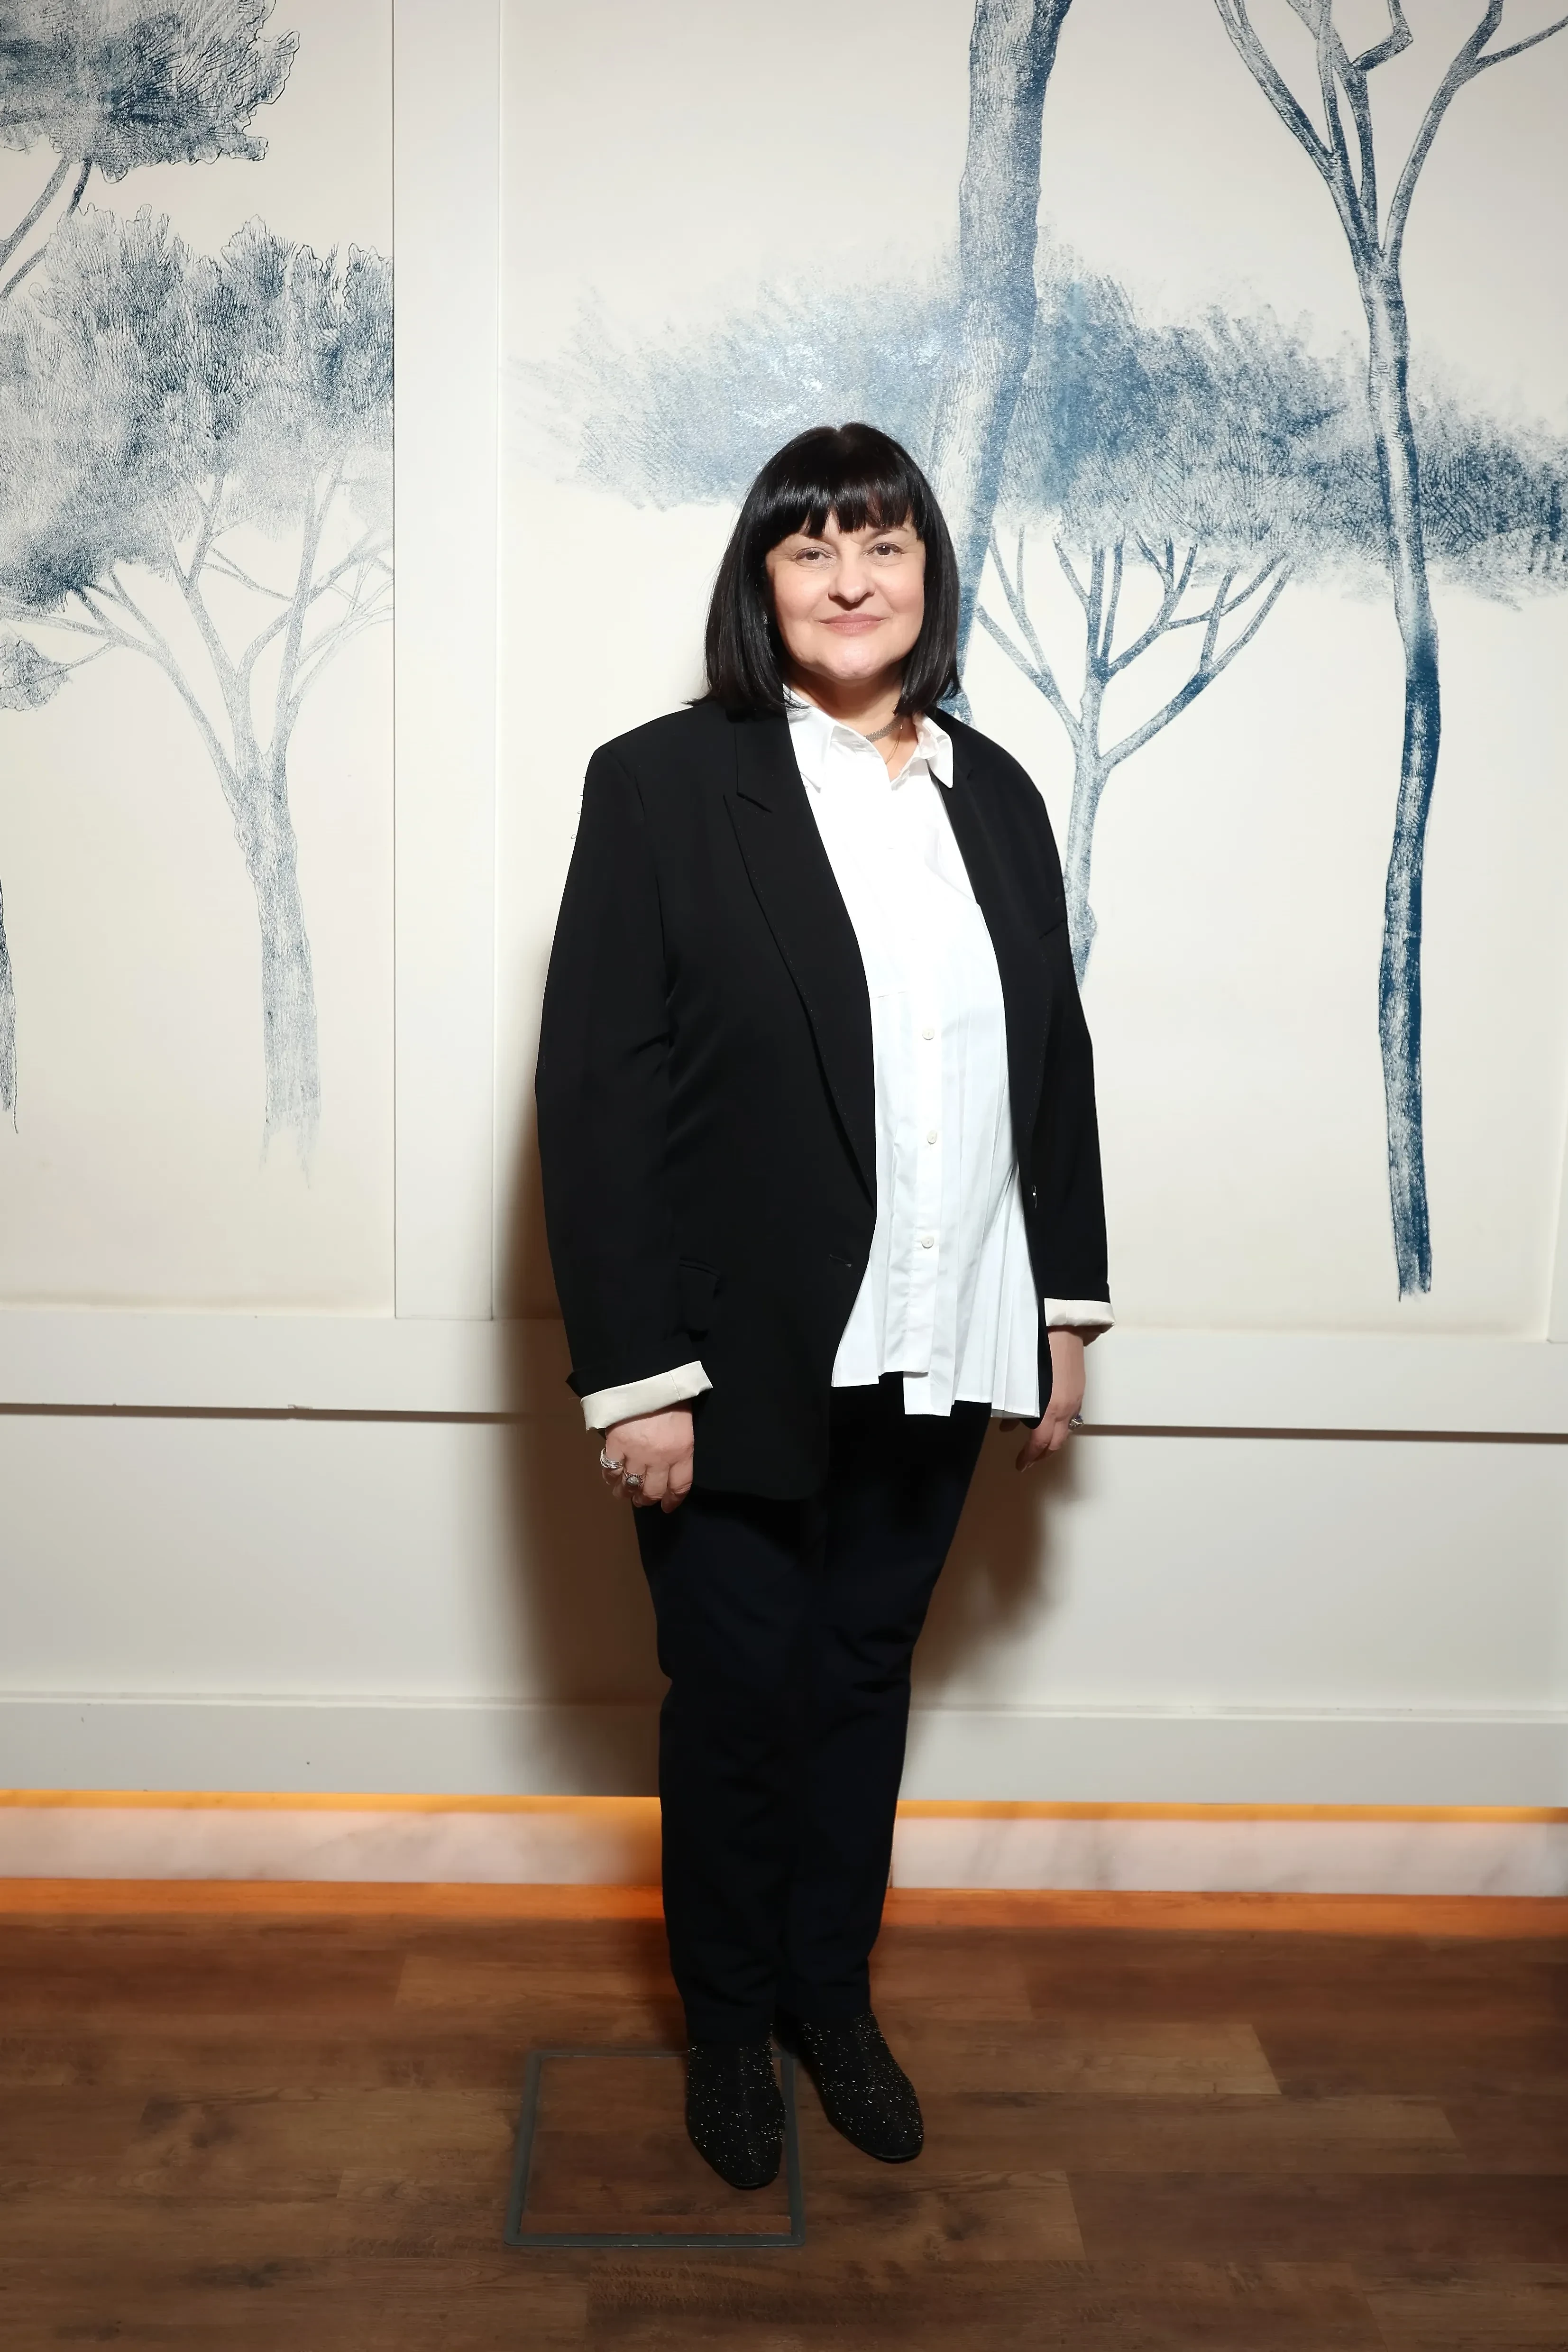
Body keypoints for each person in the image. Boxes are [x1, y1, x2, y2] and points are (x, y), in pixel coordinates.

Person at [535, 423, 1110, 2191]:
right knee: (736, 1696)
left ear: (929, 570)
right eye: (812, 548)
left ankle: (828, 2001)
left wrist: (1064, 1311)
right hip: (734, 1360)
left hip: (948, 1333)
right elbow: (597, 1094)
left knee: (862, 1679)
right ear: (763, 580)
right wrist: (640, 1377)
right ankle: (727, 2031)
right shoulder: (658, 785)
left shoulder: (995, 792)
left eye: (884, 543)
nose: (852, 579)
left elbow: (1053, 1063)